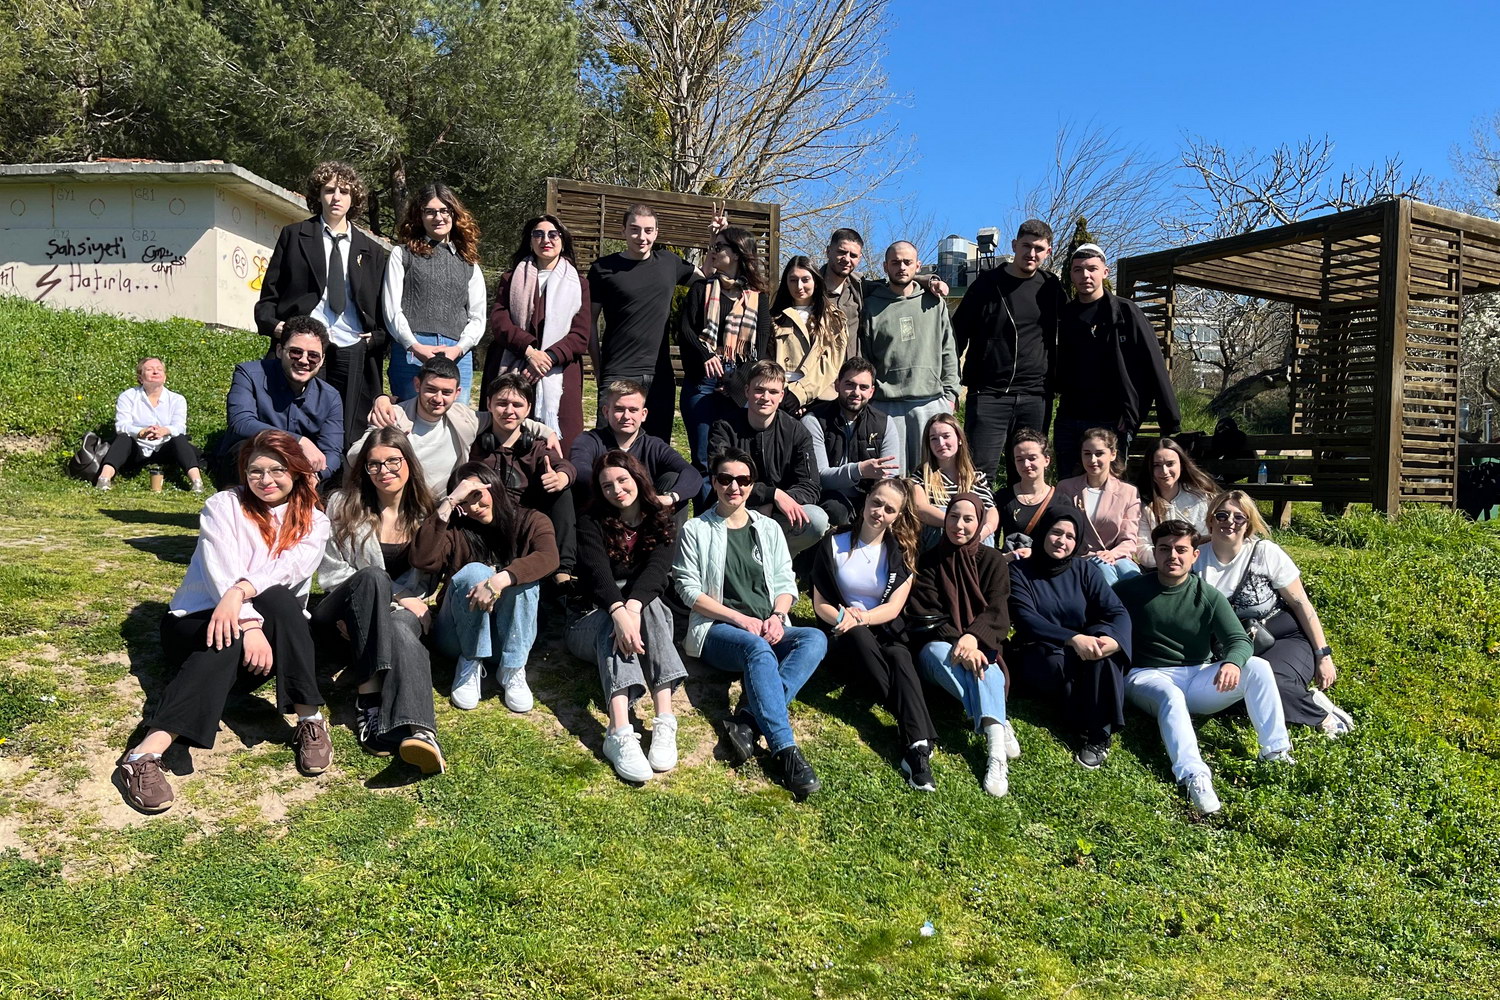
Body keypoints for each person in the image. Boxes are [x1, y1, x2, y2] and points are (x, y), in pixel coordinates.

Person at [113, 430, 332, 814]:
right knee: (230, 634)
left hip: (266, 639)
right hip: (197, 622)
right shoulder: (223, 506)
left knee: (280, 599)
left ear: (297, 472)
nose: (265, 480)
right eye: (255, 471)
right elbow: (220, 569)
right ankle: (144, 755)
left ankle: (309, 719)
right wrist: (246, 622)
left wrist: (242, 594)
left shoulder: (314, 521)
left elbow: (289, 569)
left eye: (277, 470)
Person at [672, 448, 828, 800]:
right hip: (717, 629)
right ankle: (786, 750)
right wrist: (739, 618)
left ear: (752, 485)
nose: (734, 487)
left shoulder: (768, 528)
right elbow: (688, 591)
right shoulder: (696, 529)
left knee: (814, 639)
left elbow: (786, 581)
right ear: (714, 483)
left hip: (766, 625)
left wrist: (777, 616)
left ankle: (748, 719)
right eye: (725, 479)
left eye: (742, 480)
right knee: (757, 649)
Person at [1115, 520, 1293, 814]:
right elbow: (1097, 617)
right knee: (1170, 696)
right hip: (1146, 675)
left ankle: (1276, 751)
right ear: (1154, 553)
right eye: (1165, 549)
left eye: (1181, 550)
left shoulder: (1207, 595)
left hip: (1197, 675)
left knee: (1258, 667)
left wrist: (1233, 662)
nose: (1173, 556)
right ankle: (1194, 776)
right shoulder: (1128, 590)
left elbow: (1239, 639)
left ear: (1194, 555)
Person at [314, 428, 445, 773]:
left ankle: (420, 732)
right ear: (364, 469)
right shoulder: (342, 505)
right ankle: (368, 696)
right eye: (374, 464)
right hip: (341, 609)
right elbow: (330, 570)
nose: (384, 471)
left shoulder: (426, 510)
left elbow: (427, 577)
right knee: (372, 576)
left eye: (393, 461)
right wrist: (394, 596)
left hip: (404, 611)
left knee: (400, 629)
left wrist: (397, 605)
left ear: (409, 462)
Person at [810, 478, 939, 791]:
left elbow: (894, 608)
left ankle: (917, 748)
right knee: (858, 635)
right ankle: (918, 729)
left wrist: (865, 617)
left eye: (889, 509)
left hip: (883, 632)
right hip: (843, 635)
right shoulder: (834, 542)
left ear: (898, 515)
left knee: (900, 656)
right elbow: (819, 602)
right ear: (867, 499)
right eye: (877, 502)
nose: (880, 512)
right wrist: (845, 618)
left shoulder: (901, 553)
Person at [568, 451, 687, 783]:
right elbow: (598, 577)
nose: (616, 490)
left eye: (622, 480)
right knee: (614, 620)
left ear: (638, 478)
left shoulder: (660, 518)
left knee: (653, 604)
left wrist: (632, 608)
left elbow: (658, 572)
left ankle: (664, 721)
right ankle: (619, 731)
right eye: (607, 485)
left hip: (640, 617)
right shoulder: (590, 521)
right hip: (588, 621)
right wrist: (620, 612)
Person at [1196, 490, 1354, 737]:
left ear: (1248, 524)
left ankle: (1323, 717)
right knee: (1224, 695)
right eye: (1222, 515)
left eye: (1239, 517)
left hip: (1281, 638)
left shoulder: (1265, 553)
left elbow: (1301, 604)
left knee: (1272, 683)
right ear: (1211, 520)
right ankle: (1307, 698)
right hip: (1231, 647)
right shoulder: (1196, 558)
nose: (1230, 522)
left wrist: (1323, 655)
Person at [254, 161, 389, 445]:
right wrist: (275, 326)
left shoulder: (372, 250)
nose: (336, 197)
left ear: (354, 198)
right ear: (318, 194)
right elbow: (270, 294)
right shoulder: (295, 236)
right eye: (329, 190)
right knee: (297, 417)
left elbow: (380, 309)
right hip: (306, 341)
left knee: (345, 426)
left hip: (352, 344)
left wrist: (375, 338)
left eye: (344, 191)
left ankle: (337, 470)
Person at [412, 462, 559, 712]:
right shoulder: (457, 528)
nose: (474, 507)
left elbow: (549, 557)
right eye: (465, 502)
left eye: (477, 495)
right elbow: (422, 559)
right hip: (458, 637)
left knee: (522, 579)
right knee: (475, 572)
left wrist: (501, 579)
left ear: (494, 487)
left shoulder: (531, 520)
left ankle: (512, 668)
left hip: (509, 638)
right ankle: (470, 662)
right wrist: (448, 503)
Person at [907, 494, 1020, 797]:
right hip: (937, 646)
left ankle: (996, 752)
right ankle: (998, 717)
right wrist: (959, 641)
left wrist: (973, 638)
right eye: (953, 517)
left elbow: (998, 611)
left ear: (979, 523)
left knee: (986, 665)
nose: (959, 525)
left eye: (968, 519)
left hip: (981, 643)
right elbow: (925, 613)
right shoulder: (929, 560)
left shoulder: (993, 560)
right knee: (943, 654)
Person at [1007, 509, 1131, 769]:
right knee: (1057, 665)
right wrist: (1073, 638)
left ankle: (1099, 735)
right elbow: (1026, 619)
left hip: (1085, 645)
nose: (1062, 541)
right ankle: (1086, 720)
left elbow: (1116, 611)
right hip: (1040, 646)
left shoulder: (1085, 570)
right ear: (1043, 532)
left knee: (1106, 655)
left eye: (1070, 536)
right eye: (1056, 532)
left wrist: (1114, 641)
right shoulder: (1018, 571)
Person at [951, 219, 1066, 484]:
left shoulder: (1051, 288)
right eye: (1026, 246)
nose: (1031, 253)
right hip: (988, 395)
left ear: (1048, 252)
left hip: (1035, 397)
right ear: (1014, 245)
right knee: (978, 476)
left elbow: (1072, 334)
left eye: (1039, 248)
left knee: (1028, 476)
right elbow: (956, 336)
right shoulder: (986, 285)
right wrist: (951, 385)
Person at [1053, 244, 1180, 472]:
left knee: (1110, 488)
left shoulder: (1125, 312)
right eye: (1078, 269)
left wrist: (1165, 420)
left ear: (1105, 272)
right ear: (1071, 274)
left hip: (1111, 421)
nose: (1085, 275)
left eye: (1092, 269)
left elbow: (1153, 365)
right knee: (1068, 487)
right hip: (1070, 419)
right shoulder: (1065, 316)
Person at [587, 204, 705, 442]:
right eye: (635, 229)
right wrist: (598, 369)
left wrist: (715, 239)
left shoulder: (669, 263)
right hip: (619, 371)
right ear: (623, 231)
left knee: (655, 447)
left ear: (656, 233)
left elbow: (706, 280)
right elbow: (589, 322)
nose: (642, 237)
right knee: (609, 448)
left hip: (660, 374)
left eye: (648, 230)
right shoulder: (602, 269)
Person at [484, 215, 592, 453]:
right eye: (538, 234)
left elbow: (580, 334)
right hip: (514, 361)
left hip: (560, 369)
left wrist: (548, 358)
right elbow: (499, 321)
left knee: (562, 443)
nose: (546, 240)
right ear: (530, 241)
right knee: (507, 435)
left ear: (563, 240)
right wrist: (529, 351)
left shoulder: (579, 284)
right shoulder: (511, 278)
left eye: (553, 234)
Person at [469, 373, 578, 597]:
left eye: (517, 405)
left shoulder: (536, 446)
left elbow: (564, 466)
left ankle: (563, 575)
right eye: (502, 403)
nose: (509, 411)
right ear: (489, 404)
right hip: (485, 519)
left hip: (525, 520)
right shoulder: (475, 444)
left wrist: (561, 477)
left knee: (562, 493)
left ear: (528, 409)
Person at [706, 360, 828, 555]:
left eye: (773, 392)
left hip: (779, 513)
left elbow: (810, 486)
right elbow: (722, 478)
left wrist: (775, 503)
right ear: (747, 391)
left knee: (817, 519)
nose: (765, 397)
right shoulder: (724, 427)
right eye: (759, 390)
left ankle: (777, 560)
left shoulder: (797, 431)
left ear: (781, 396)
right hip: (735, 506)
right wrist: (772, 494)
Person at [382, 182, 487, 405]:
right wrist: (414, 346)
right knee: (408, 419)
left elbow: (478, 317)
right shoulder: (402, 255)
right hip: (411, 352)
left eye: (444, 211)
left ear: (453, 214)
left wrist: (458, 349)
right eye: (430, 211)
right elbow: (391, 309)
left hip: (457, 354)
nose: (438, 217)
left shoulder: (469, 263)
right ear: (419, 216)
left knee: (456, 421)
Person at [679, 226, 772, 473]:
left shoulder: (758, 298)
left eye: (719, 247)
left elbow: (760, 347)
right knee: (703, 459)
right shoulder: (701, 288)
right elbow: (686, 330)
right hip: (702, 379)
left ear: (738, 253)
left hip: (738, 382)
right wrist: (706, 355)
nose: (714, 250)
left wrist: (736, 381)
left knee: (734, 458)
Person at [861, 240, 959, 473]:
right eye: (895, 262)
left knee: (932, 475)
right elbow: (866, 357)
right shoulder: (871, 306)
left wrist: (950, 395)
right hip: (886, 405)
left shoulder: (934, 302)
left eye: (907, 262)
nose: (902, 267)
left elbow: (948, 351)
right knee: (892, 477)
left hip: (930, 402)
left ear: (918, 265)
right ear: (885, 266)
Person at [217, 317, 344, 484]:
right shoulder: (248, 374)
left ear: (321, 361)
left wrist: (317, 476)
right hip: (252, 462)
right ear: (279, 351)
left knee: (339, 468)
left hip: (298, 468)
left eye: (313, 356)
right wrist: (298, 441)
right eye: (295, 352)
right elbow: (241, 423)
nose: (304, 360)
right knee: (242, 449)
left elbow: (333, 450)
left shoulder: (330, 396)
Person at [569, 378, 701, 516]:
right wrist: (617, 490)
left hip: (643, 514)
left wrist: (670, 497)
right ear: (606, 412)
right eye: (619, 409)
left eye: (633, 410)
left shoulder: (654, 445)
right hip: (602, 512)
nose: (626, 416)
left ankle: (670, 531)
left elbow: (692, 473)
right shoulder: (589, 440)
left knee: (673, 479)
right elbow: (580, 469)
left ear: (643, 414)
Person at [349, 357, 478, 495]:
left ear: (457, 393)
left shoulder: (465, 417)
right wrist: (389, 444)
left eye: (446, 392)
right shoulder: (393, 416)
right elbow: (353, 456)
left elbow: (495, 414)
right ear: (417, 385)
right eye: (431, 389)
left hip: (445, 503)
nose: (438, 399)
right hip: (402, 502)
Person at [801, 357, 901, 527]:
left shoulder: (885, 423)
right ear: (837, 385)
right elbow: (819, 477)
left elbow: (889, 476)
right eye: (850, 385)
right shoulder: (814, 420)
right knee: (836, 510)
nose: (856, 392)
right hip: (827, 497)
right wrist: (859, 470)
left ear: (872, 391)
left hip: (870, 496)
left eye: (863, 387)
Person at [95, 356, 204, 493]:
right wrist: (141, 432)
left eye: (159, 369)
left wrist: (164, 430)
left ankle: (197, 482)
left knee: (179, 438)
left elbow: (180, 426)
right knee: (123, 438)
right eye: (149, 369)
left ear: (165, 377)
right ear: (140, 378)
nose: (155, 372)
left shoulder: (177, 399)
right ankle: (104, 478)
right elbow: (121, 425)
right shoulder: (128, 396)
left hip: (165, 447)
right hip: (137, 448)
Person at [1057, 428, 1141, 585]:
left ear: (1113, 454)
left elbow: (1129, 539)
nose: (1093, 460)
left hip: (1116, 556)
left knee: (1129, 573)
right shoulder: (1066, 488)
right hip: (1081, 558)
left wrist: (1112, 554)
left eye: (1099, 454)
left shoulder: (1128, 492)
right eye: (1087, 454)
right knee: (1103, 569)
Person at [767, 256, 845, 413]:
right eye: (793, 280)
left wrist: (800, 394)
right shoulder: (774, 317)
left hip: (820, 397)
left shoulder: (833, 318)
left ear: (816, 281)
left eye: (805, 280)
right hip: (781, 396)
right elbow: (767, 358)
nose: (799, 286)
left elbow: (831, 363)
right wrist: (783, 393)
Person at [910, 412, 999, 549]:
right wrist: (957, 525)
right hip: (938, 541)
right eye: (934, 439)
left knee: (980, 523)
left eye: (946, 436)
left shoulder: (976, 477)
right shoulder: (920, 477)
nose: (940, 443)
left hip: (974, 539)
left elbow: (990, 510)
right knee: (949, 513)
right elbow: (920, 509)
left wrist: (984, 531)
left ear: (959, 439)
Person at [1136, 437, 1218, 568]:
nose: (1164, 471)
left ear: (1181, 464)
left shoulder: (1201, 497)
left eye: (1170, 464)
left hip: (1204, 566)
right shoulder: (1142, 504)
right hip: (1161, 571)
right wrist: (1173, 558)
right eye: (1157, 465)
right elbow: (1144, 553)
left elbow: (1216, 538)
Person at [994, 428, 1068, 555]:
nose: (1026, 464)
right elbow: (991, 542)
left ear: (1046, 460)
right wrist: (1004, 557)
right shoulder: (1003, 497)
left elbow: (1066, 545)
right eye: (1019, 459)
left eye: (1032, 458)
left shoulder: (1061, 501)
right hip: (1012, 564)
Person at [821, 228, 869, 358]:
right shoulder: (809, 288)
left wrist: (922, 280)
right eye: (841, 252)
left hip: (852, 368)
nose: (847, 259)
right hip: (819, 368)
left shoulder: (861, 286)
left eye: (853, 255)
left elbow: (897, 283)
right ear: (828, 251)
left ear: (859, 259)